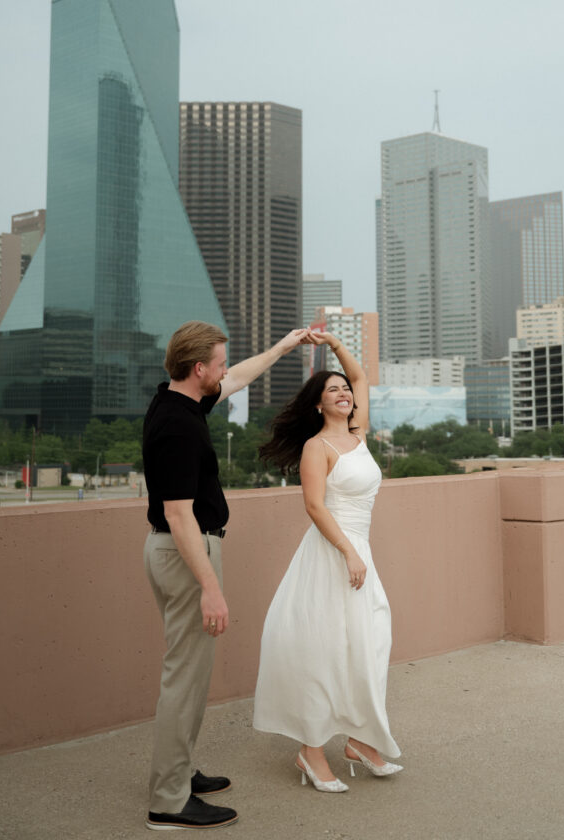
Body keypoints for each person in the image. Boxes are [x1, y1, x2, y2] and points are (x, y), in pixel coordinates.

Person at [142, 321, 309, 830]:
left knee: (190, 677)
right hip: (185, 552)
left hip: (181, 551)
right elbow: (177, 514)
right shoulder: (179, 424)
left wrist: (283, 346)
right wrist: (211, 589)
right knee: (183, 680)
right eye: (218, 363)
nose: (224, 371)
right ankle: (167, 802)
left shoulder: (179, 401)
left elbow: (236, 378)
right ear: (198, 370)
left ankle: (181, 771)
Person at [253, 329, 402, 792]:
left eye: (345, 389)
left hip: (361, 553)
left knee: (369, 645)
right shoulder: (317, 448)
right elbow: (315, 507)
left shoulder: (359, 433)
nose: (343, 392)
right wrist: (349, 552)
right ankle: (310, 752)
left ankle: (360, 740)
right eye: (332, 389)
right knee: (322, 651)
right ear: (318, 404)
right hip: (332, 554)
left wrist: (335, 342)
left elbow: (359, 373)